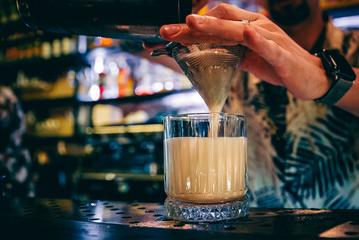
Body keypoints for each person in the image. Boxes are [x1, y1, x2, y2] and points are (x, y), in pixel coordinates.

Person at [143, 0, 359, 209]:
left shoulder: (355, 48)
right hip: (250, 223)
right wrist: (175, 9)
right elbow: (130, 43)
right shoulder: (231, 54)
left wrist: (324, 77)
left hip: (342, 225)